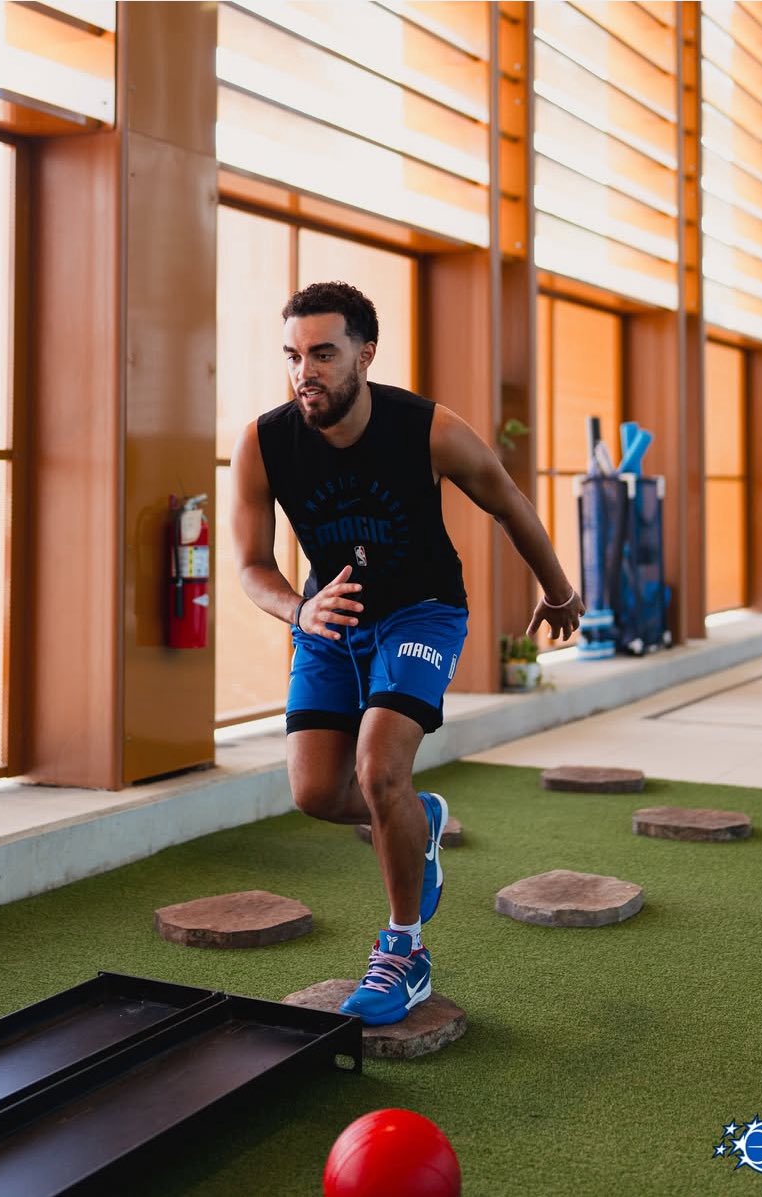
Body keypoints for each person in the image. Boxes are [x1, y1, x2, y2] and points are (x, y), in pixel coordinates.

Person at [230, 281, 584, 1026]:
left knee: (378, 768)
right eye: (292, 356)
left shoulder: (429, 429)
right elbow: (252, 566)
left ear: (366, 354)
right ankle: (417, 819)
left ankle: (404, 951)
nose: (304, 373)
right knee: (315, 793)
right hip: (329, 618)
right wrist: (300, 609)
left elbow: (507, 501)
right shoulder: (262, 444)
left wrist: (557, 590)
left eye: (323, 354)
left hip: (422, 611)